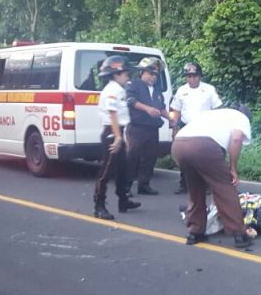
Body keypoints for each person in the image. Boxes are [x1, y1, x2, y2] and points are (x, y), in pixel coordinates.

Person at [172, 103, 253, 249]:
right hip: (203, 146)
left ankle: (194, 232)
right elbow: (236, 139)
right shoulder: (241, 117)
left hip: (179, 145)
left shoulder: (211, 114)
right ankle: (239, 234)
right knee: (224, 189)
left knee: (195, 189)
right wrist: (233, 167)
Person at [93, 56, 141, 220]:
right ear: (116, 74)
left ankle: (123, 200)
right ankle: (99, 206)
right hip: (111, 133)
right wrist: (118, 137)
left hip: (117, 131)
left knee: (123, 169)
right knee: (106, 171)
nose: (127, 76)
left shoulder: (118, 89)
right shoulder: (112, 91)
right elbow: (112, 114)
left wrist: (122, 135)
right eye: (125, 73)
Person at [170, 61, 222, 194]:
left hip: (204, 128)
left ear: (199, 76)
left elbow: (217, 109)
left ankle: (206, 185)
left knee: (204, 157)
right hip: (186, 127)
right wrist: (175, 128)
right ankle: (184, 184)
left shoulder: (209, 89)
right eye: (189, 76)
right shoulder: (182, 90)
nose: (192, 79)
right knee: (185, 157)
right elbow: (176, 110)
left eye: (194, 76)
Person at [125, 57, 167, 195]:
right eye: (150, 73)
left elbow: (161, 108)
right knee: (132, 157)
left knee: (150, 157)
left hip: (152, 128)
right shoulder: (133, 84)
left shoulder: (157, 90)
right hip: (137, 128)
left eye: (155, 75)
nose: (153, 77)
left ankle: (144, 185)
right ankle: (126, 187)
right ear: (142, 72)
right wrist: (147, 109)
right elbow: (131, 101)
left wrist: (171, 119)